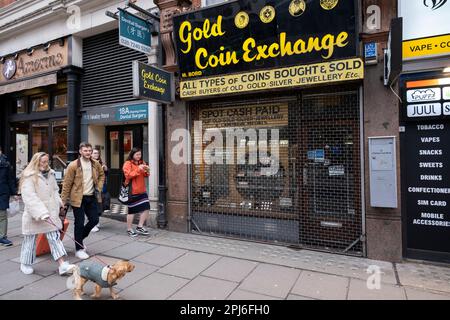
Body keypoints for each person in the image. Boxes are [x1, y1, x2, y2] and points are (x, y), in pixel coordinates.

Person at [19, 152, 75, 275]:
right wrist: (41, 213)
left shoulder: (51, 174)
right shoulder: (29, 176)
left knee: (55, 238)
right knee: (30, 240)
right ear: (36, 161)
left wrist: (59, 202)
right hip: (34, 215)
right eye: (43, 161)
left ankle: (62, 265)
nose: (46, 164)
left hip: (51, 212)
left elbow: (55, 190)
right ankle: (25, 263)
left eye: (47, 161)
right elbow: (30, 197)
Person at [61, 142, 105, 260]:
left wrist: (99, 187)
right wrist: (63, 201)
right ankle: (79, 249)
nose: (88, 153)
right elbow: (67, 184)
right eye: (85, 151)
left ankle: (79, 239)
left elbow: (102, 175)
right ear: (80, 151)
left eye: (90, 151)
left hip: (91, 197)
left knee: (94, 220)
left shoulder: (95, 164)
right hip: (77, 198)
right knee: (79, 223)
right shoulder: (73, 165)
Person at [122, 148, 150, 237]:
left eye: (140, 154)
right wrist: (138, 169)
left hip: (142, 190)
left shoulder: (142, 162)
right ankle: (129, 229)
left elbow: (146, 175)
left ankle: (140, 226)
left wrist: (147, 170)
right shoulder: (127, 163)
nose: (139, 156)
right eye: (137, 154)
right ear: (132, 155)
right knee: (132, 210)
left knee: (146, 207)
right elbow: (128, 175)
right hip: (132, 191)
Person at [0, 146, 18, 246]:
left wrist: (14, 193)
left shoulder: (6, 164)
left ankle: (2, 237)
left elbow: (10, 179)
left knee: (2, 215)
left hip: (2, 192)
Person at [91, 148, 109, 232]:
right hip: (92, 187)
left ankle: (96, 220)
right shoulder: (90, 163)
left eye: (97, 153)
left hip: (101, 187)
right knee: (94, 205)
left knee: (100, 205)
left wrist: (105, 169)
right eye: (94, 153)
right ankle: (92, 223)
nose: (96, 155)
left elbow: (106, 175)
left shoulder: (101, 162)